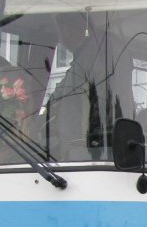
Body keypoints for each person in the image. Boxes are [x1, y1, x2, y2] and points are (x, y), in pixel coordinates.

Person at [43, 11, 124, 161]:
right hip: (76, 149)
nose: (61, 38)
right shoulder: (82, 58)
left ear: (67, 30)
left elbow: (64, 95)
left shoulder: (93, 54)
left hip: (87, 151)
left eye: (60, 32)